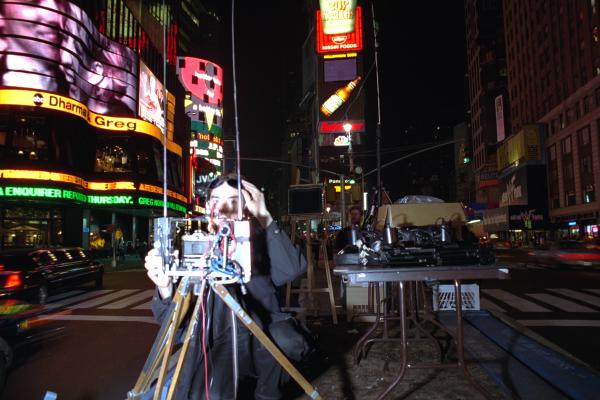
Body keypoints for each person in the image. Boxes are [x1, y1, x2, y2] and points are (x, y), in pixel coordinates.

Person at [145, 174, 308, 400]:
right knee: (202, 392)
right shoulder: (193, 246)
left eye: (233, 200)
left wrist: (265, 217)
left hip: (262, 341)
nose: (222, 208)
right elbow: (172, 325)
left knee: (287, 340)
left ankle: (267, 393)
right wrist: (165, 288)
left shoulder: (260, 240)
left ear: (246, 207)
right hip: (216, 345)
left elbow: (291, 270)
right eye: (216, 200)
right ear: (207, 206)